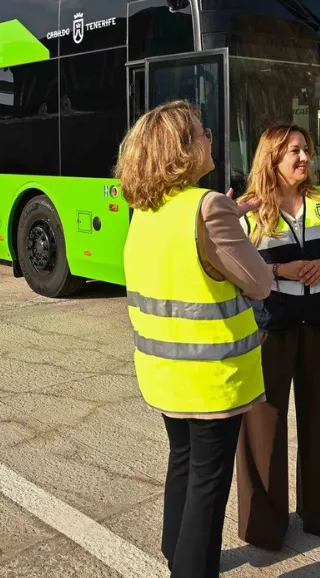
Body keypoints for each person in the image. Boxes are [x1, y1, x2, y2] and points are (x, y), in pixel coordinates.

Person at [116, 99, 273, 578]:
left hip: (164, 371)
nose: (210, 139)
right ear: (182, 149)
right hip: (211, 377)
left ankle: (174, 550)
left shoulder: (145, 209)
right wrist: (235, 222)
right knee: (209, 482)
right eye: (203, 133)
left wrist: (230, 215)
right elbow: (260, 283)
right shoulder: (206, 207)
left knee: (182, 462)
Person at [234, 124, 320, 550]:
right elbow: (238, 271)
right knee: (264, 425)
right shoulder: (250, 211)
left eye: (306, 150)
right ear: (272, 158)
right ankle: (264, 528)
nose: (304, 158)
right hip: (271, 324)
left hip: (318, 320)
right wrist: (279, 271)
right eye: (293, 151)